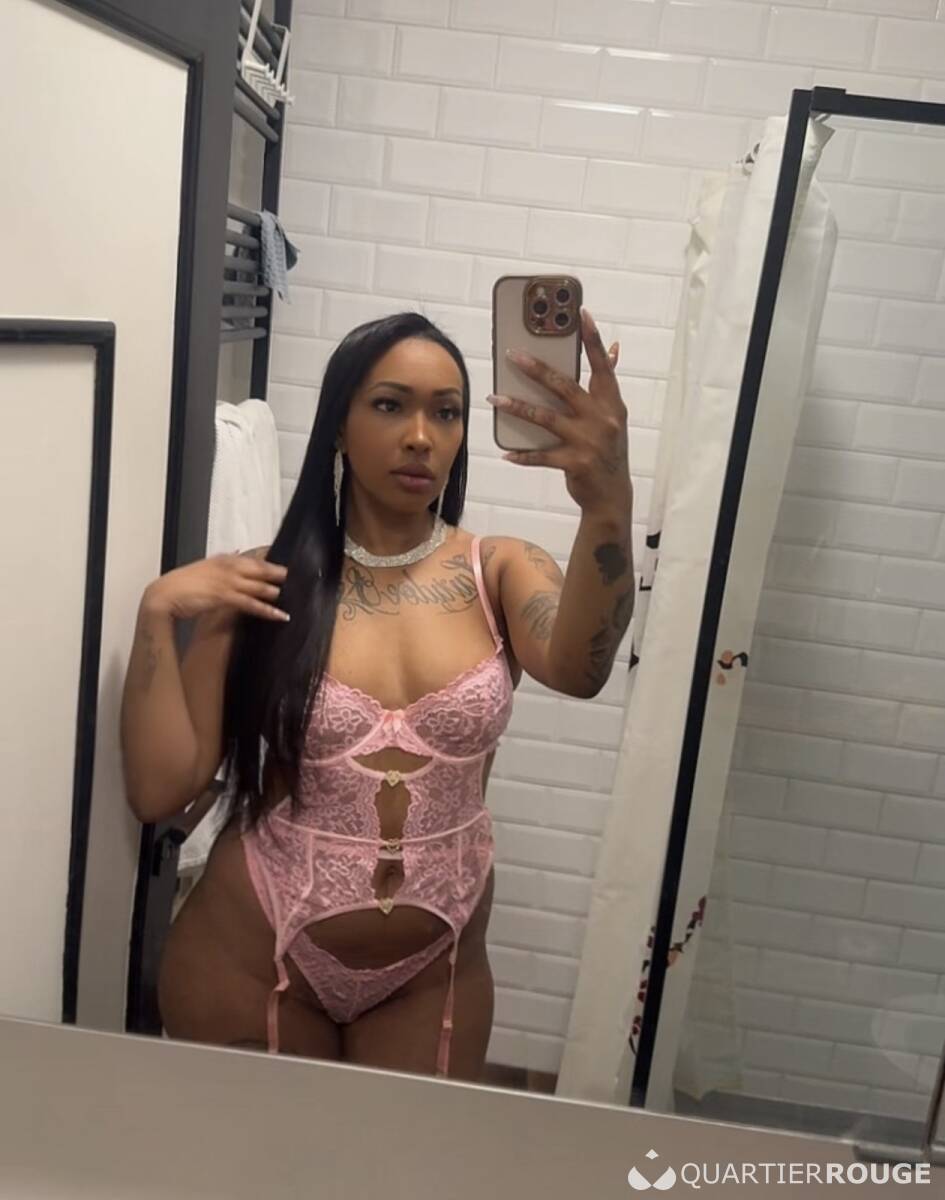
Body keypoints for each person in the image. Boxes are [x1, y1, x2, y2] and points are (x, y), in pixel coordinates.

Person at [120, 309, 632, 1081]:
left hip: (432, 971)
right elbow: (161, 789)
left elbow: (580, 668)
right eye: (390, 405)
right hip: (252, 953)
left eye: (446, 412)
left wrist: (606, 501)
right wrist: (157, 612)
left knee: (406, 1154)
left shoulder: (500, 571)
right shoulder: (265, 582)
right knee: (251, 1156)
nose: (421, 436)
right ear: (339, 424)